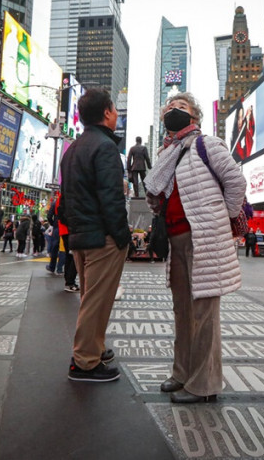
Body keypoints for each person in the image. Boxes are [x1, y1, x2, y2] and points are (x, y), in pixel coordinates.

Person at [144, 92, 246, 403]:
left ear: (195, 117)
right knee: (183, 312)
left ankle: (204, 385)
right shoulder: (165, 155)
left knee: (204, 314)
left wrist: (221, 217)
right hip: (176, 240)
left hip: (204, 239)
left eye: (182, 107)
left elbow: (236, 182)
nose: (174, 110)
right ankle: (181, 373)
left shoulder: (206, 144)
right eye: (170, 107)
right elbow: (156, 193)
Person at [58, 88, 130, 382]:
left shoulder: (73, 148)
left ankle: (94, 349)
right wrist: (122, 235)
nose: (116, 114)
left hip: (80, 236)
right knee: (96, 301)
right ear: (106, 113)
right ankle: (84, 362)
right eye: (114, 109)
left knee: (91, 298)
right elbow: (111, 197)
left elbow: (65, 197)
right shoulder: (105, 147)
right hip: (103, 237)